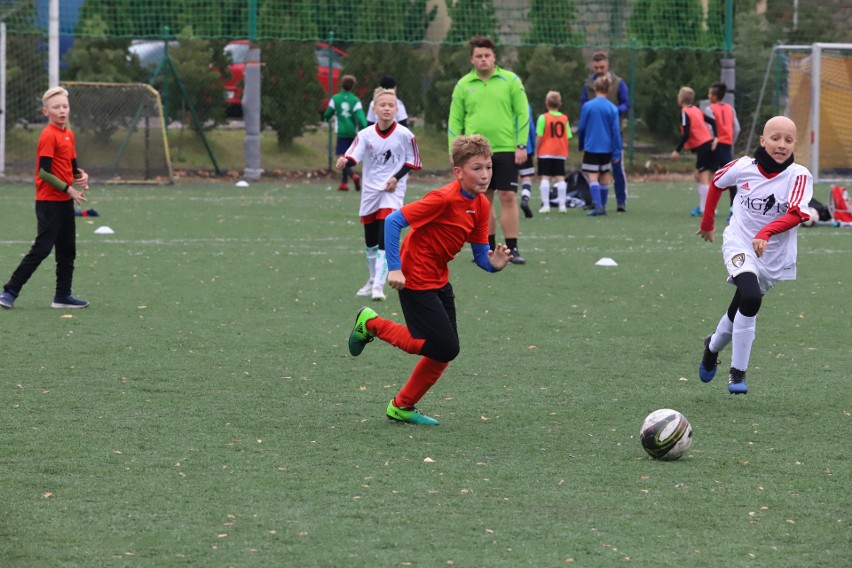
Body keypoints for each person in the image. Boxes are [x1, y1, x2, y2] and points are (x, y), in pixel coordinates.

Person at [347, 135, 512, 425]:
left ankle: (402, 406)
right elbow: (394, 220)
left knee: (444, 349)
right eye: (477, 168)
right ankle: (371, 324)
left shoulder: (482, 206)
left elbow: (480, 254)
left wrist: (493, 264)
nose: (485, 174)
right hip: (414, 276)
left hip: (438, 277)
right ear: (459, 172)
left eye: (488, 167)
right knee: (444, 346)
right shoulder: (444, 198)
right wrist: (394, 269)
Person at [696, 116, 813, 395]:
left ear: (795, 144)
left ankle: (712, 347)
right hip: (739, 243)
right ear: (763, 140)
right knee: (750, 297)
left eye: (787, 140)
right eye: (775, 138)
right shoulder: (743, 166)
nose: (781, 145)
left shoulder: (799, 175)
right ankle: (737, 373)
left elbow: (798, 213)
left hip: (773, 258)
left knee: (741, 306)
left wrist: (767, 232)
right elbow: (717, 182)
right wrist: (708, 223)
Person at [0, 87, 90, 310]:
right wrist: (69, 189)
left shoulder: (68, 134)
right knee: (42, 249)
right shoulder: (48, 135)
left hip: (64, 203)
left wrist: (81, 175)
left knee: (67, 249)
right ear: (45, 111)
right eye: (56, 107)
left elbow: (71, 165)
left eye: (65, 106)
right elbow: (44, 172)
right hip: (49, 202)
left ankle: (62, 296)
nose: (62, 111)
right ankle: (9, 291)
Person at [448, 35, 530, 265]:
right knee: (482, 200)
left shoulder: (510, 80)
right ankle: (489, 248)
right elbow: (455, 121)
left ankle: (512, 248)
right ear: (472, 60)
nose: (483, 59)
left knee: (508, 196)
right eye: (478, 56)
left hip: (505, 149)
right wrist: (453, 150)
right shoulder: (463, 85)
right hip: (475, 151)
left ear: (494, 57)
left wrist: (521, 144)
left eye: (487, 55)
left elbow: (523, 113)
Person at [337, 88, 421, 302]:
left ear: (396, 109)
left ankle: (378, 286)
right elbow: (353, 155)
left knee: (386, 234)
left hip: (393, 191)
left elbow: (413, 162)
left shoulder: (405, 135)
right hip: (370, 191)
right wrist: (345, 161)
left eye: (391, 105)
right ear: (374, 109)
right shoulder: (365, 134)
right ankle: (373, 278)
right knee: (370, 240)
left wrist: (396, 178)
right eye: (382, 105)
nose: (386, 108)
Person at [580, 51, 629, 212]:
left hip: (613, 134)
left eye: (602, 67)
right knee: (595, 171)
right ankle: (598, 203)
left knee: (615, 168)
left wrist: (613, 111)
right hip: (594, 136)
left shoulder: (618, 83)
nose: (599, 70)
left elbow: (626, 104)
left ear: (607, 66)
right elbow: (583, 105)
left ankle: (620, 201)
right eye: (596, 68)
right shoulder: (588, 85)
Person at [577, 76, 621, 216]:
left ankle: (598, 206)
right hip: (607, 148)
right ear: (609, 89)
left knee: (593, 176)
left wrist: (581, 143)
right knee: (604, 176)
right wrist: (616, 152)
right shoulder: (613, 108)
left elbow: (582, 127)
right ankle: (603, 206)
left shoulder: (588, 106)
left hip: (591, 147)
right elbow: (616, 132)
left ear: (595, 89)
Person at [670, 86, 717, 217]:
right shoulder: (696, 109)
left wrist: (677, 150)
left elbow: (686, 134)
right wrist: (715, 138)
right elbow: (712, 121)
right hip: (707, 144)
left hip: (703, 146)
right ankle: (706, 207)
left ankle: (705, 209)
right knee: (700, 176)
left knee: (702, 177)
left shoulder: (685, 112)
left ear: (680, 99)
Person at [322, 74, 367, 192]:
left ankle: (353, 176)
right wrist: (365, 128)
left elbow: (328, 113)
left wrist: (326, 118)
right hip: (353, 132)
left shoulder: (335, 98)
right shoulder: (355, 100)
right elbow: (360, 116)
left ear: (341, 85)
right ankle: (344, 183)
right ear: (353, 87)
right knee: (347, 157)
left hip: (341, 132)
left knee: (341, 158)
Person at [705, 81, 741, 212]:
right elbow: (737, 128)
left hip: (715, 146)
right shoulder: (730, 109)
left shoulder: (710, 109)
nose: (708, 95)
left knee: (712, 176)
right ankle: (733, 206)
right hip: (727, 146)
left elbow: (709, 128)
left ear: (714, 96)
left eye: (709, 93)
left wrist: (710, 143)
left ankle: (711, 207)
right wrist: (731, 141)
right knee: (731, 176)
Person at [534, 91, 572, 213]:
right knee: (560, 177)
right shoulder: (564, 118)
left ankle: (546, 205)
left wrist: (536, 151)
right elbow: (568, 136)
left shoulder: (543, 118)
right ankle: (562, 206)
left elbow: (539, 136)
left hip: (546, 152)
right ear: (560, 104)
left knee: (545, 177)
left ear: (547, 104)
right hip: (560, 152)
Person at [519, 103, 537, 218]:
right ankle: (525, 198)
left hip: (505, 147)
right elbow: (530, 127)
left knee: (505, 184)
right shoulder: (526, 105)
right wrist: (533, 145)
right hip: (524, 147)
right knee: (526, 176)